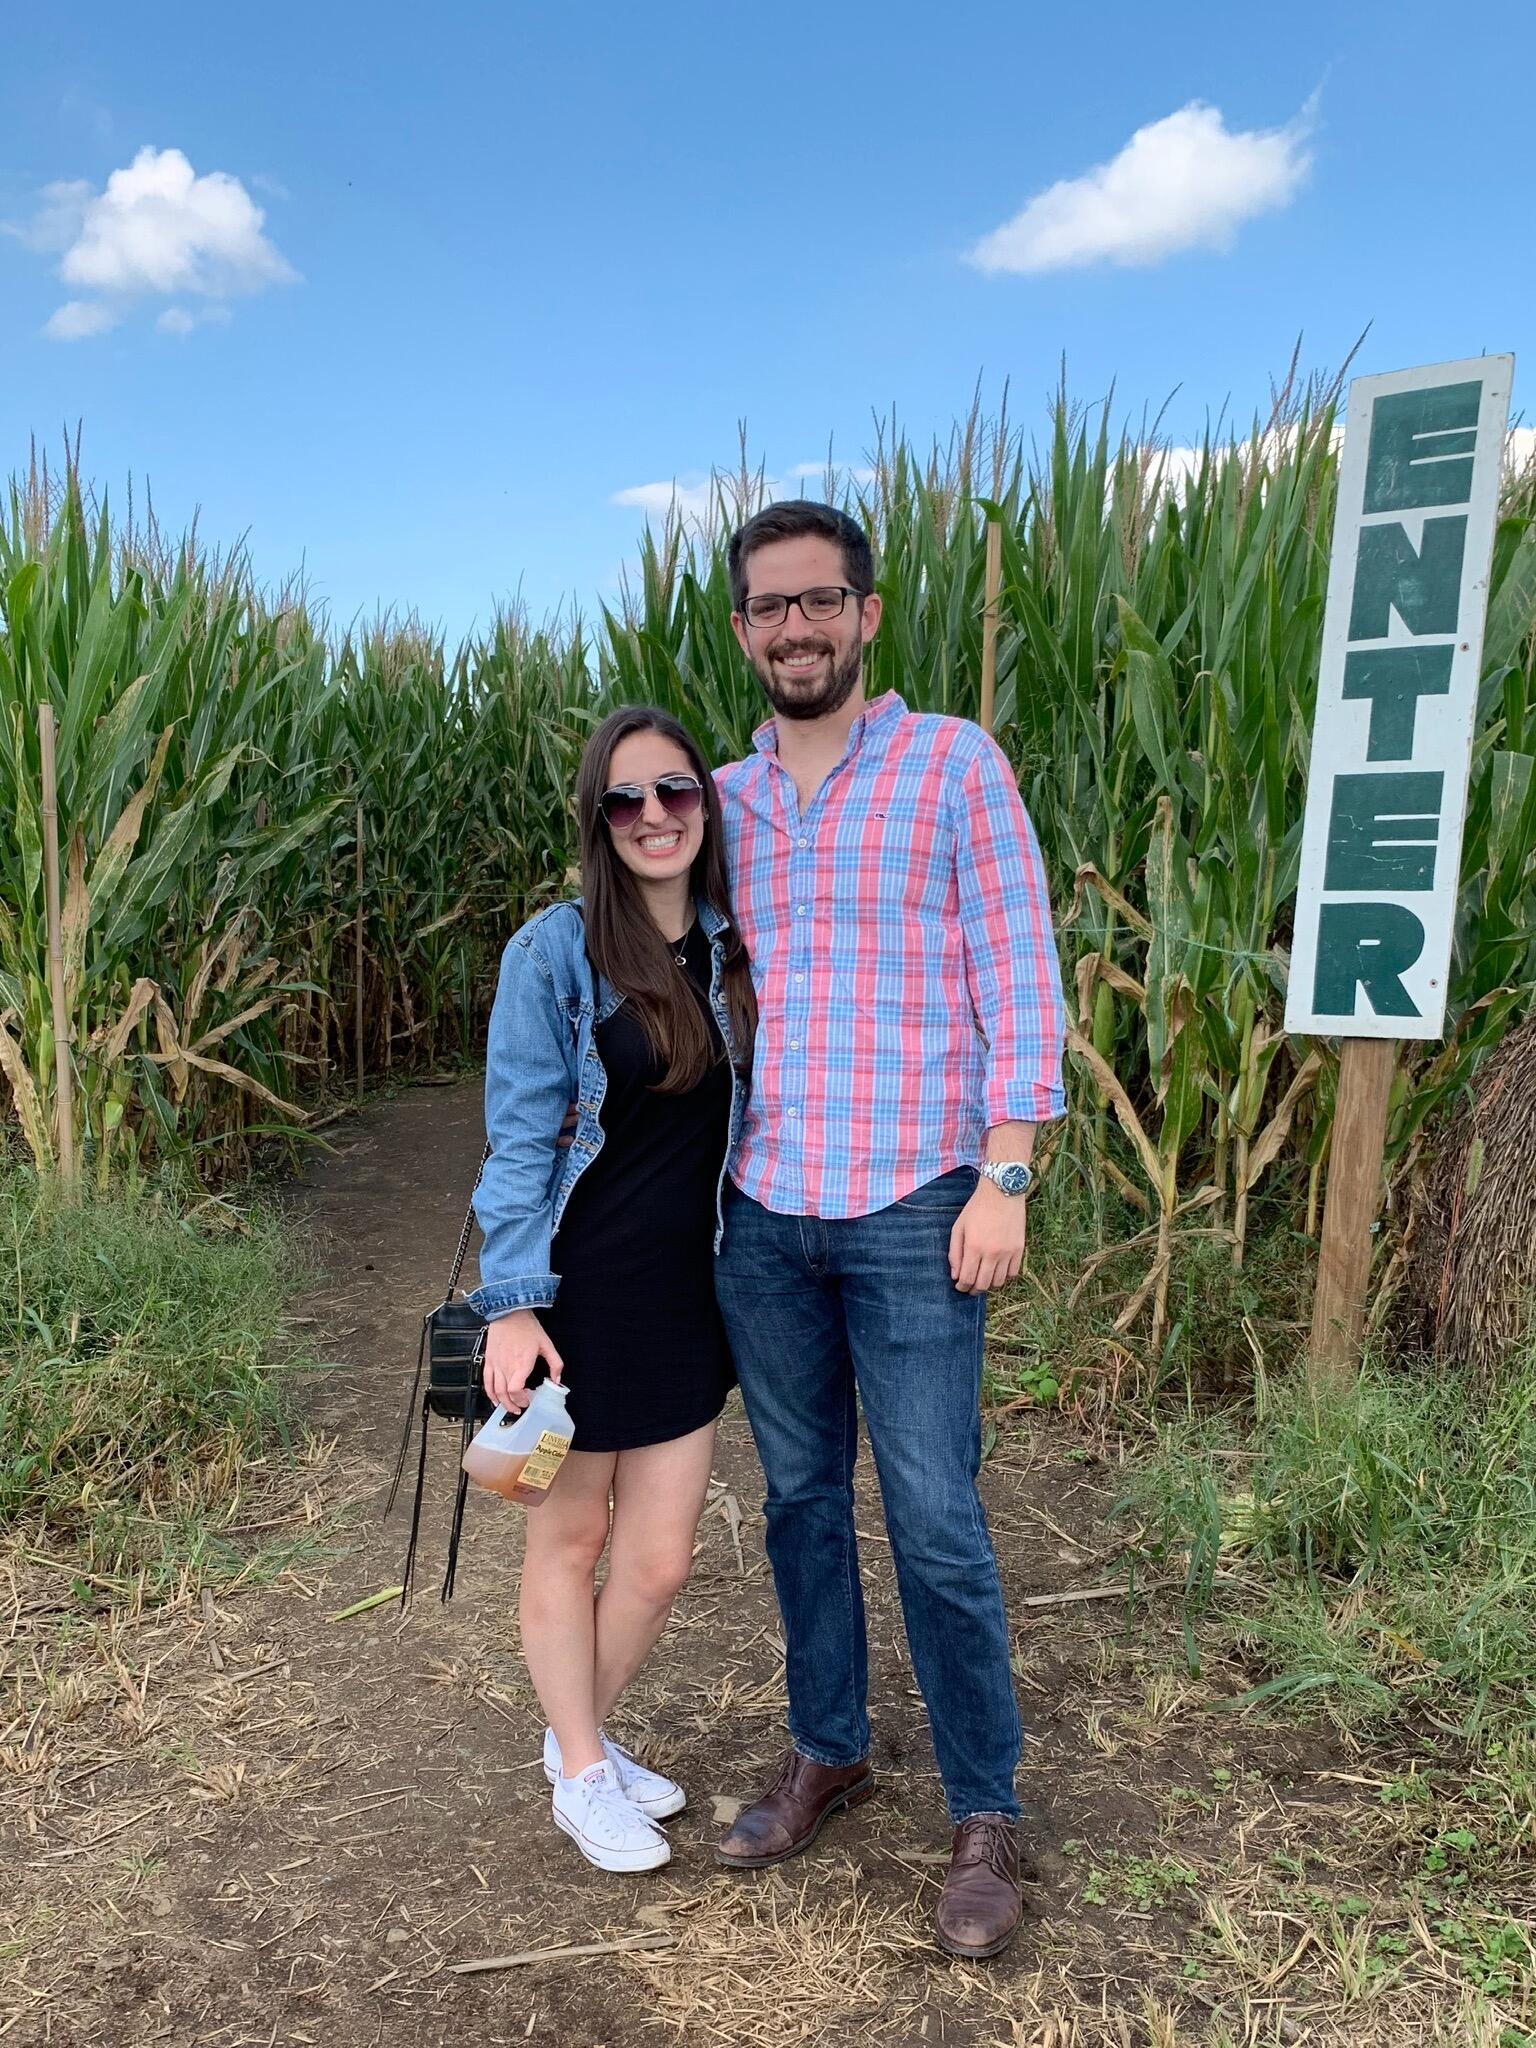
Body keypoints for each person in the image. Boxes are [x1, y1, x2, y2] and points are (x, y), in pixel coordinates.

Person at [710, 501, 1065, 1959]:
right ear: (745, 628)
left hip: (919, 1198)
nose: (795, 628)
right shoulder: (719, 801)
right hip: (763, 1209)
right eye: (769, 607)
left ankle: (985, 1806)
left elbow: (1021, 972)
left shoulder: (953, 764)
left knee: (933, 1513)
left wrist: (1007, 1176)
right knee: (799, 1502)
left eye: (819, 601)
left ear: (865, 612)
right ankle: (832, 1746)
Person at [466, 705, 755, 1874]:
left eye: (674, 791)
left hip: (687, 1296)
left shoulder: (730, 946)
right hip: (576, 1299)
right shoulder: (556, 950)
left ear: (704, 806)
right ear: (598, 817)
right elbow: (518, 1138)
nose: (653, 816)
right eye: (625, 798)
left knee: (660, 1560)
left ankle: (572, 1736)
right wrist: (512, 1302)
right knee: (570, 1535)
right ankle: (586, 1769)